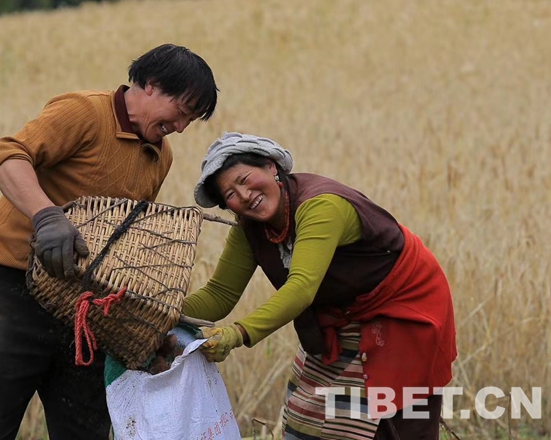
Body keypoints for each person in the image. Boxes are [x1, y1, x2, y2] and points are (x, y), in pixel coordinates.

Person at [0, 44, 219, 440]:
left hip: (87, 311)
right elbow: (7, 155)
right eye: (181, 111)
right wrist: (46, 216)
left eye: (190, 120)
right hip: (13, 293)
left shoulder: (160, 156)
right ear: (151, 85)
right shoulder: (84, 111)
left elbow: (127, 243)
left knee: (87, 433)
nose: (181, 127)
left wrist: (145, 327)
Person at [184, 132, 457, 440]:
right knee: (308, 420)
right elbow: (219, 295)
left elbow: (302, 287)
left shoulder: (320, 206)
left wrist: (237, 334)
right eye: (231, 194)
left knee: (396, 419)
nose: (245, 195)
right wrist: (162, 312)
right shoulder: (250, 230)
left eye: (245, 179)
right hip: (340, 314)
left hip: (403, 309)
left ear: (271, 167)